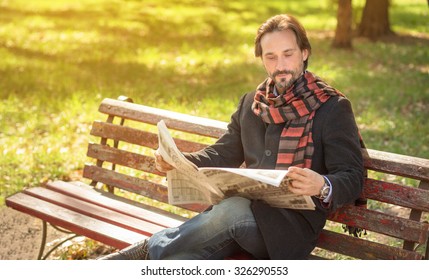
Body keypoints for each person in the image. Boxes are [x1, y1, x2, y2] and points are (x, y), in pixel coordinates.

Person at [99, 13, 364, 260]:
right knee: (187, 259)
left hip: (289, 230)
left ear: (304, 53)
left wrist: (322, 184)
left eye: (288, 54)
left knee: (232, 209)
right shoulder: (252, 103)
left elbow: (352, 175)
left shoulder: (331, 107)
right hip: (237, 220)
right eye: (270, 57)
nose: (280, 65)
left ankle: (142, 252)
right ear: (262, 59)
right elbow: (223, 152)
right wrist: (178, 160)